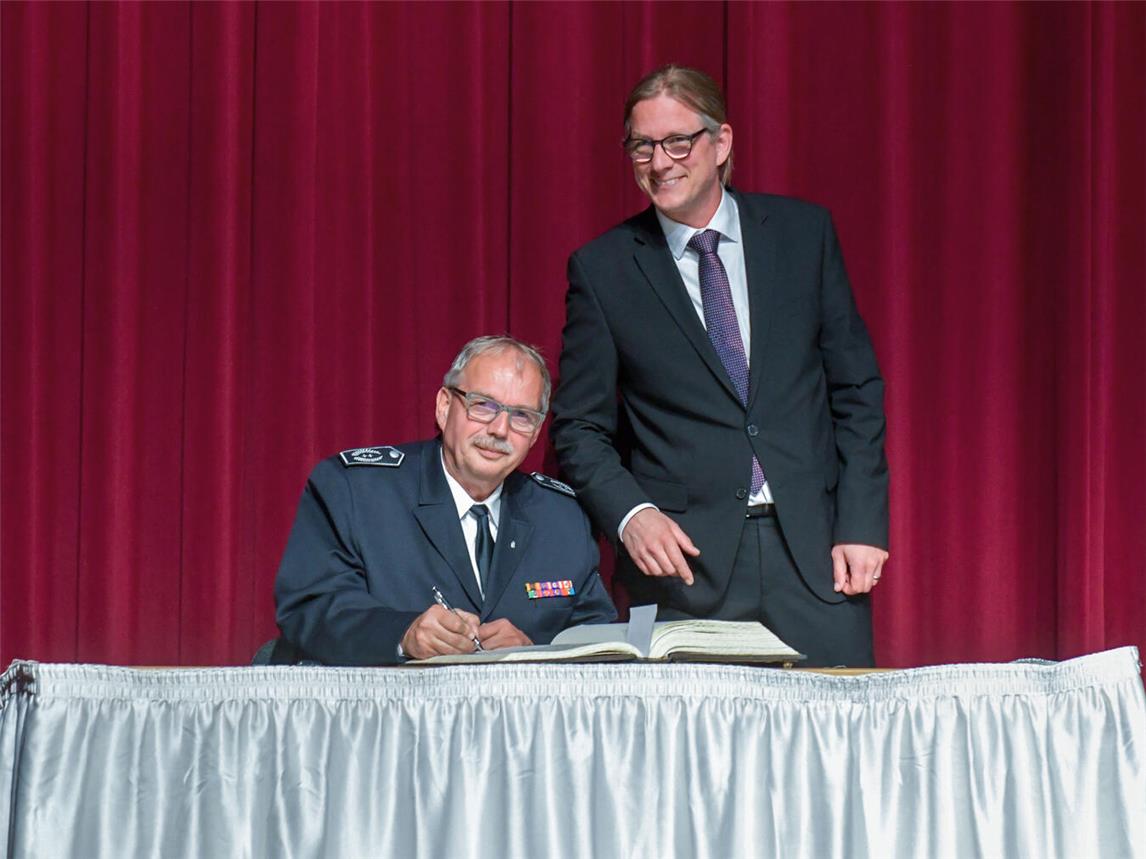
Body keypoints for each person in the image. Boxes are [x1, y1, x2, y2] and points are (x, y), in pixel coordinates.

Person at [550, 65, 888, 667]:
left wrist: (862, 522)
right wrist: (632, 516)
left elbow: (855, 389)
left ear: (721, 141)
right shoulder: (604, 269)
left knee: (839, 726)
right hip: (686, 572)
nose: (660, 162)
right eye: (642, 146)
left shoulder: (802, 234)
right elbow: (579, 427)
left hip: (818, 563)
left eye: (678, 142)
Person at [275, 335, 617, 665]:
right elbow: (308, 608)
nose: (500, 429)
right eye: (483, 405)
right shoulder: (356, 491)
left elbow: (597, 641)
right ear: (444, 407)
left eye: (521, 416)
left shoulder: (562, 517)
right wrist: (403, 634)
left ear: (536, 433)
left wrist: (535, 652)